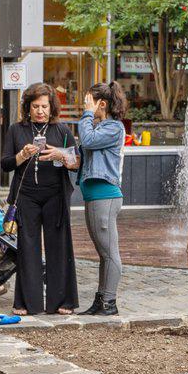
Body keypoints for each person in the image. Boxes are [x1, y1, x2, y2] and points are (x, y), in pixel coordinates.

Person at [4, 83, 79, 314]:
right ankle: (26, 302)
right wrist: (21, 155)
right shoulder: (16, 130)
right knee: (28, 248)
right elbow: (5, 164)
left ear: (51, 107)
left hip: (55, 195)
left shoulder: (62, 130)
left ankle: (63, 301)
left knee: (59, 246)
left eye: (44, 106)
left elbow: (76, 163)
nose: (40, 111)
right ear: (28, 107)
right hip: (26, 196)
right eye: (35, 106)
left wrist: (61, 154)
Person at [76, 82, 127, 316]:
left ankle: (109, 302)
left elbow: (87, 141)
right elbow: (86, 151)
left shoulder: (113, 127)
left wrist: (87, 114)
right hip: (94, 195)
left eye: (88, 101)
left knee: (109, 252)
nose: (83, 107)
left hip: (104, 196)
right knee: (103, 253)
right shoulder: (99, 127)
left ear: (101, 104)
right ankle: (101, 300)